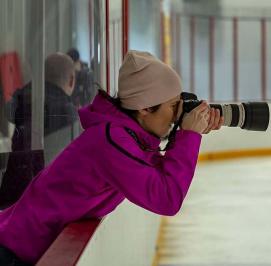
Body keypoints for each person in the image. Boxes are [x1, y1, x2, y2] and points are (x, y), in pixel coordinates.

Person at [0, 50, 223, 265]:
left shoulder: (122, 135)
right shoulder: (112, 141)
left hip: (19, 246)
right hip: (13, 252)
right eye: (173, 106)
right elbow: (167, 198)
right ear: (145, 108)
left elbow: (158, 173)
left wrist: (187, 132)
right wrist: (189, 135)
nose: (176, 115)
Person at [0, 53, 77, 208]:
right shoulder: (69, 113)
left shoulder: (25, 98)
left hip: (13, 191)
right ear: (71, 80)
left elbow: (9, 111)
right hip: (47, 199)